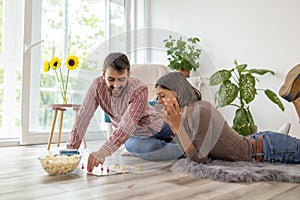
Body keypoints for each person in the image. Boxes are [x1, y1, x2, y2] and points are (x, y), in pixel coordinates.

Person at [66, 52, 182, 172]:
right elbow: (83, 117)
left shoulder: (138, 89)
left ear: (129, 74)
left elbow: (127, 124)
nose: (116, 85)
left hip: (158, 124)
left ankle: (192, 146)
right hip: (133, 136)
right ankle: (185, 150)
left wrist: (102, 152)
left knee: (184, 129)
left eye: (121, 79)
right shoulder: (96, 87)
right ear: (103, 75)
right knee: (153, 149)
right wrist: (70, 151)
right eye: (111, 79)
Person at [155, 71, 300, 164]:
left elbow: (200, 159)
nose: (159, 101)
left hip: (268, 149)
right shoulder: (186, 115)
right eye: (158, 97)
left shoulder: (200, 110)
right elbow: (189, 153)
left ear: (177, 94)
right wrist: (175, 126)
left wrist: (178, 127)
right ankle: (281, 132)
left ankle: (296, 99)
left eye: (162, 96)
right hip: (259, 143)